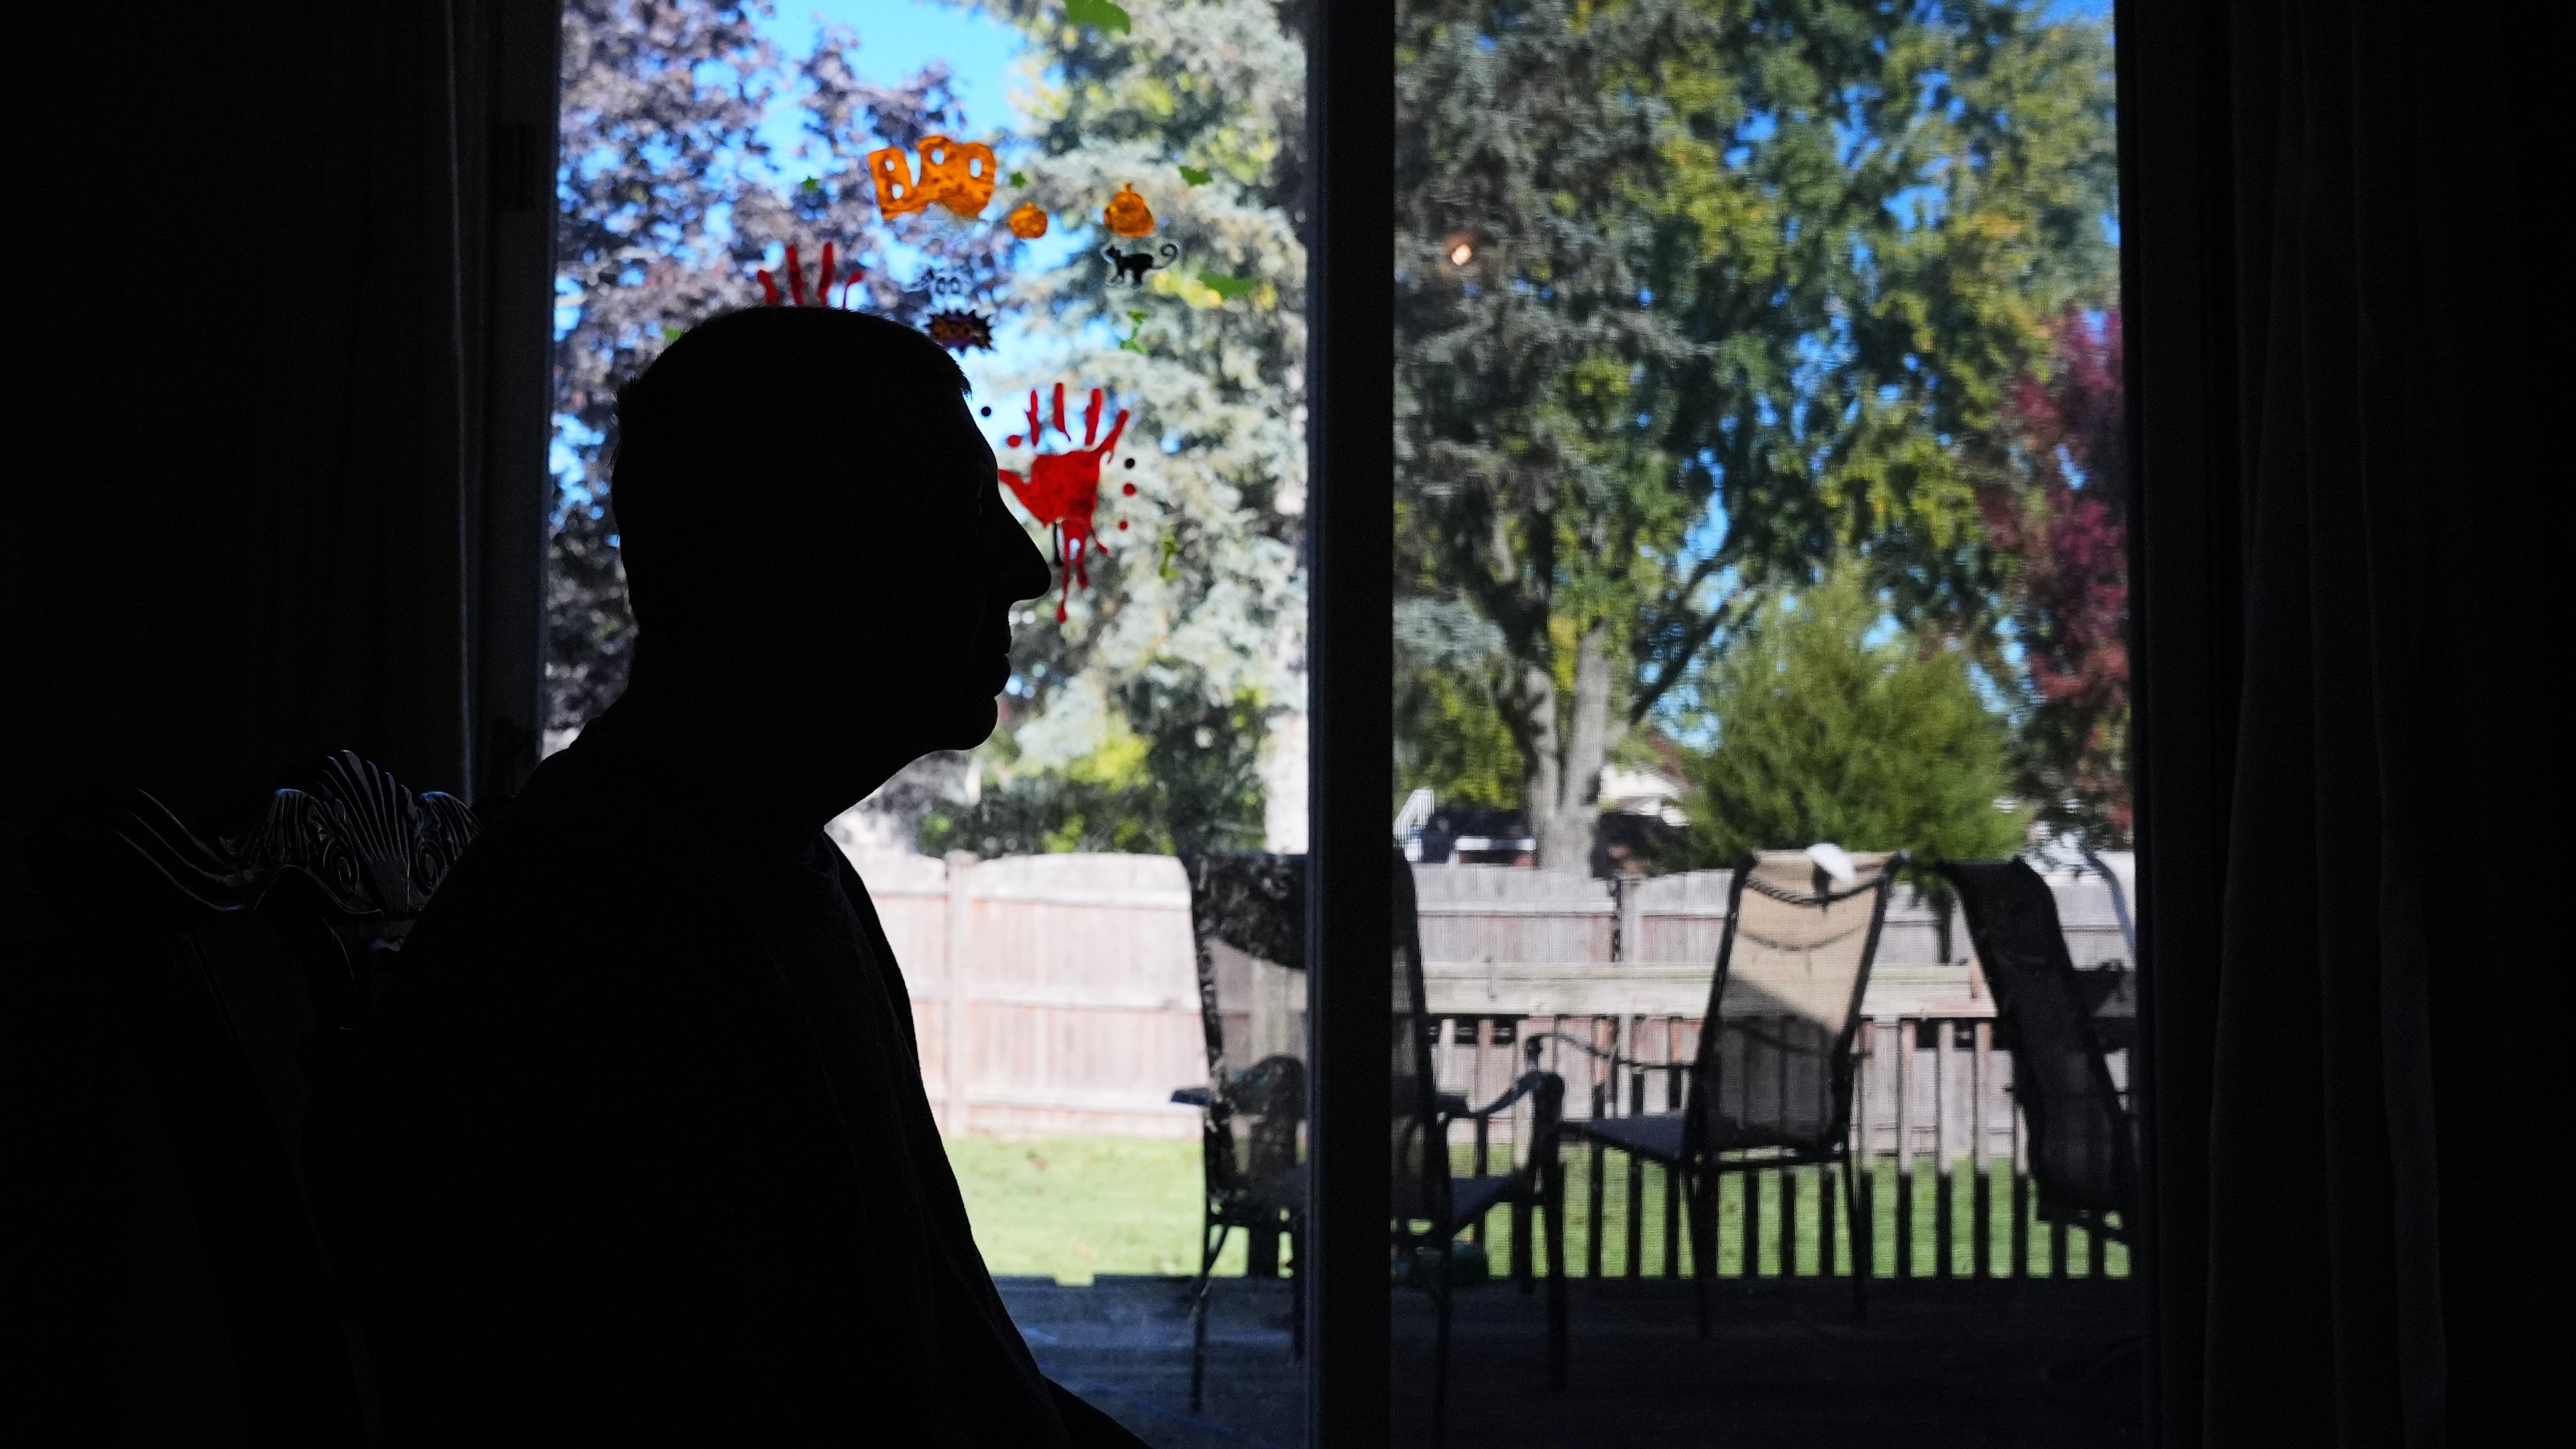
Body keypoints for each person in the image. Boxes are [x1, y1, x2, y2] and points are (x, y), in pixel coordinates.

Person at [339, 308, 1142, 1445]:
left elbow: (938, 1364)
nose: (1020, 564)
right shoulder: (621, 946)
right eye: (964, 506)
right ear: (800, 549)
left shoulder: (750, 872)